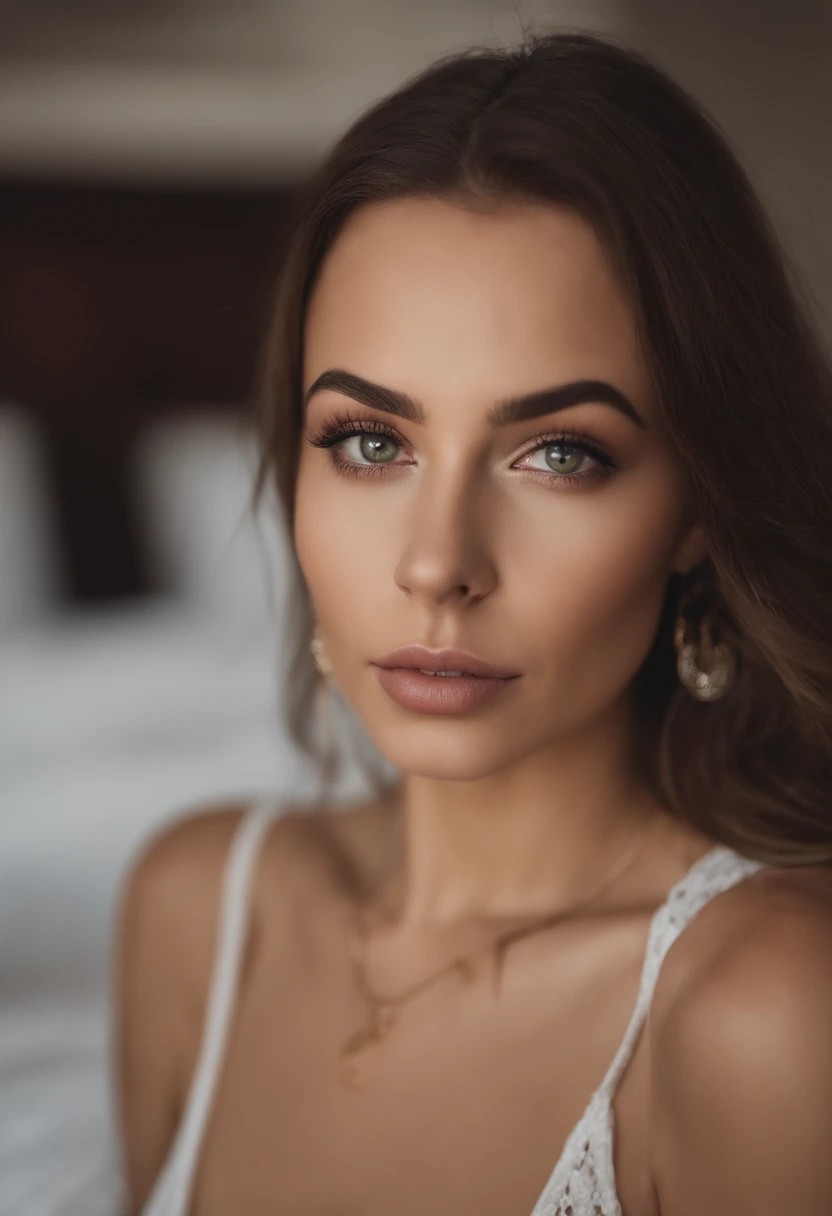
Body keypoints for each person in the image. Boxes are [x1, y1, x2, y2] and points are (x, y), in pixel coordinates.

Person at [113, 29, 832, 1216]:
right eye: (369, 441)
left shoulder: (766, 1013)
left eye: (560, 454)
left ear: (699, 506)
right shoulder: (198, 910)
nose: (438, 561)